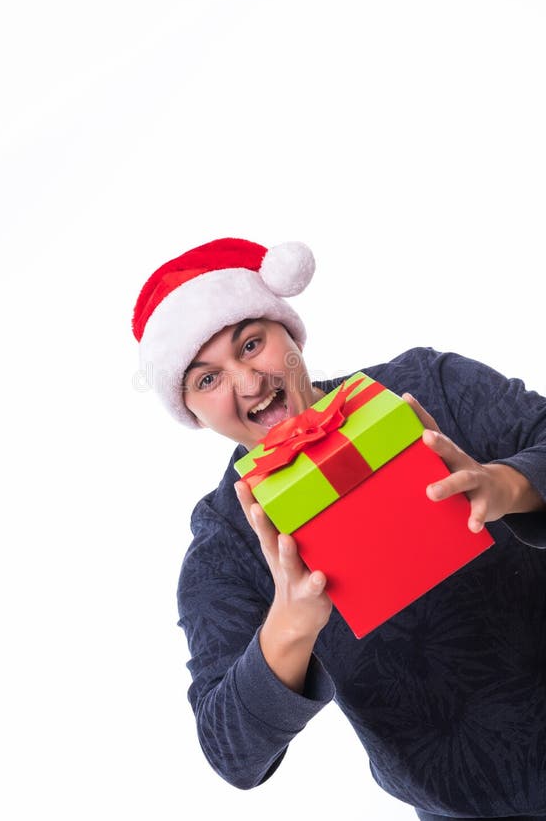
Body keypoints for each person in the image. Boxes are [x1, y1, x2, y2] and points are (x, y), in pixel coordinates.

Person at [132, 237, 546, 821]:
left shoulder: (423, 384)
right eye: (207, 380)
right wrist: (290, 628)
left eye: (252, 344)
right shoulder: (227, 542)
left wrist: (508, 484)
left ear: (290, 336)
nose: (249, 384)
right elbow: (230, 753)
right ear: (192, 412)